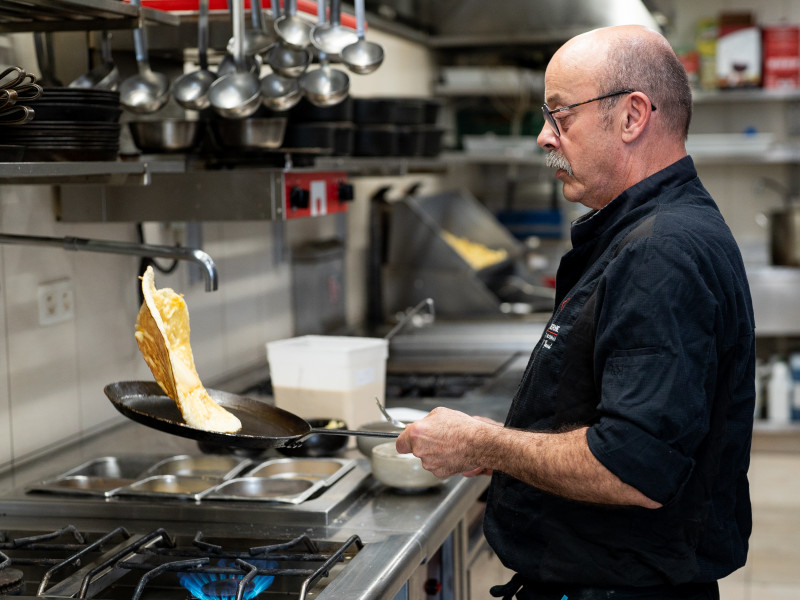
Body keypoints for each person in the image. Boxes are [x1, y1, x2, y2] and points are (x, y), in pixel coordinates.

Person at [395, 24, 755, 600]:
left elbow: (633, 465)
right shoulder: (647, 231)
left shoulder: (661, 250)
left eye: (560, 116)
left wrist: (486, 445)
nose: (543, 137)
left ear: (633, 116)